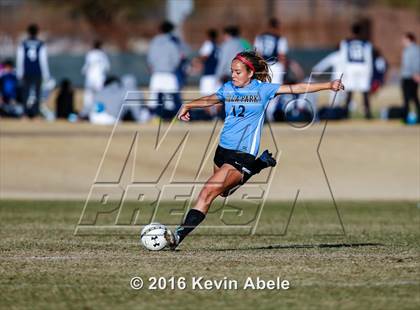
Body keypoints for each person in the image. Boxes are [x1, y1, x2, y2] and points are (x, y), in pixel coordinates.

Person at [164, 51, 344, 250]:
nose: (233, 75)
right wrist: (188, 105)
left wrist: (328, 85)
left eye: (238, 72)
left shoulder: (264, 90)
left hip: (243, 154)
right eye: (232, 71)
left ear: (250, 73)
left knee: (207, 192)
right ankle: (259, 165)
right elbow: (211, 99)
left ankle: (177, 236)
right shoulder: (229, 88)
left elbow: (297, 87)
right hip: (222, 149)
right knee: (222, 193)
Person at [147, 21, 182, 120]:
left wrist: (153, 66)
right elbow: (177, 59)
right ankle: (177, 117)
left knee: (156, 96)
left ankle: (157, 117)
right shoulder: (172, 42)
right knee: (173, 96)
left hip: (157, 74)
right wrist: (172, 67)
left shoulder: (154, 42)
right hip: (169, 73)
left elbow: (150, 58)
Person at [254, 18, 288, 120]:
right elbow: (281, 56)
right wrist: (285, 69)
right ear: (277, 26)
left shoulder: (259, 37)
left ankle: (261, 114)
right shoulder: (280, 38)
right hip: (276, 66)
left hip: (263, 65)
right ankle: (269, 114)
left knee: (261, 91)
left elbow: (257, 54)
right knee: (275, 91)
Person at [339, 23, 373, 119]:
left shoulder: (346, 42)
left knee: (349, 91)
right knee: (365, 92)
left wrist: (343, 71)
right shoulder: (366, 43)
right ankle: (367, 113)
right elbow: (368, 58)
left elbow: (343, 57)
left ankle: (346, 113)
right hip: (363, 67)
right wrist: (369, 71)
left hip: (350, 67)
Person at [16, 23, 50, 118]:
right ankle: (35, 113)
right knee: (37, 92)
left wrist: (19, 72)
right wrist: (46, 74)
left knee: (25, 92)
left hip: (26, 72)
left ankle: (25, 113)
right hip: (37, 72)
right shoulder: (41, 44)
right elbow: (43, 60)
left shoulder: (23, 44)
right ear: (37, 32)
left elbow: (20, 59)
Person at [80, 40, 110, 118]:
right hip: (99, 78)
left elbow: (86, 66)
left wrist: (83, 71)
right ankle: (100, 111)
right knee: (100, 95)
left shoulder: (90, 54)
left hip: (90, 78)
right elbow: (107, 67)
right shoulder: (103, 55)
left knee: (88, 95)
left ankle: (87, 112)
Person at [400, 32, 420, 124]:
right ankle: (406, 116)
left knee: (410, 98)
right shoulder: (407, 49)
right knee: (410, 98)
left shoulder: (414, 50)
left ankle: (406, 117)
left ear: (409, 39)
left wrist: (415, 73)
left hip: (410, 77)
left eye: (404, 39)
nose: (402, 41)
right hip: (407, 76)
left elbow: (416, 62)